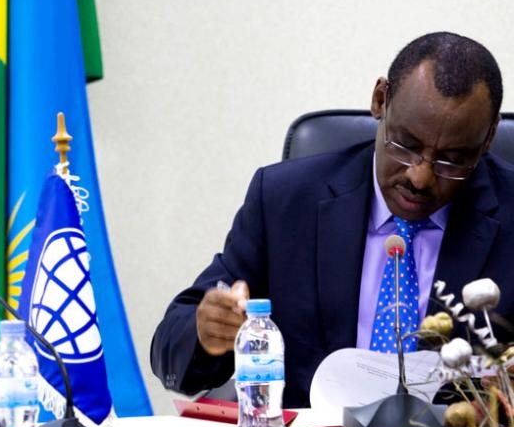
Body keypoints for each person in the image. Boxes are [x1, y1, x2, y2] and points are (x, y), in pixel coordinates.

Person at [151, 32, 514, 408]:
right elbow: (170, 348)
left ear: (487, 139)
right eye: (405, 144)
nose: (420, 177)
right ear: (380, 101)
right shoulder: (284, 201)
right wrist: (205, 332)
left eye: (452, 159)